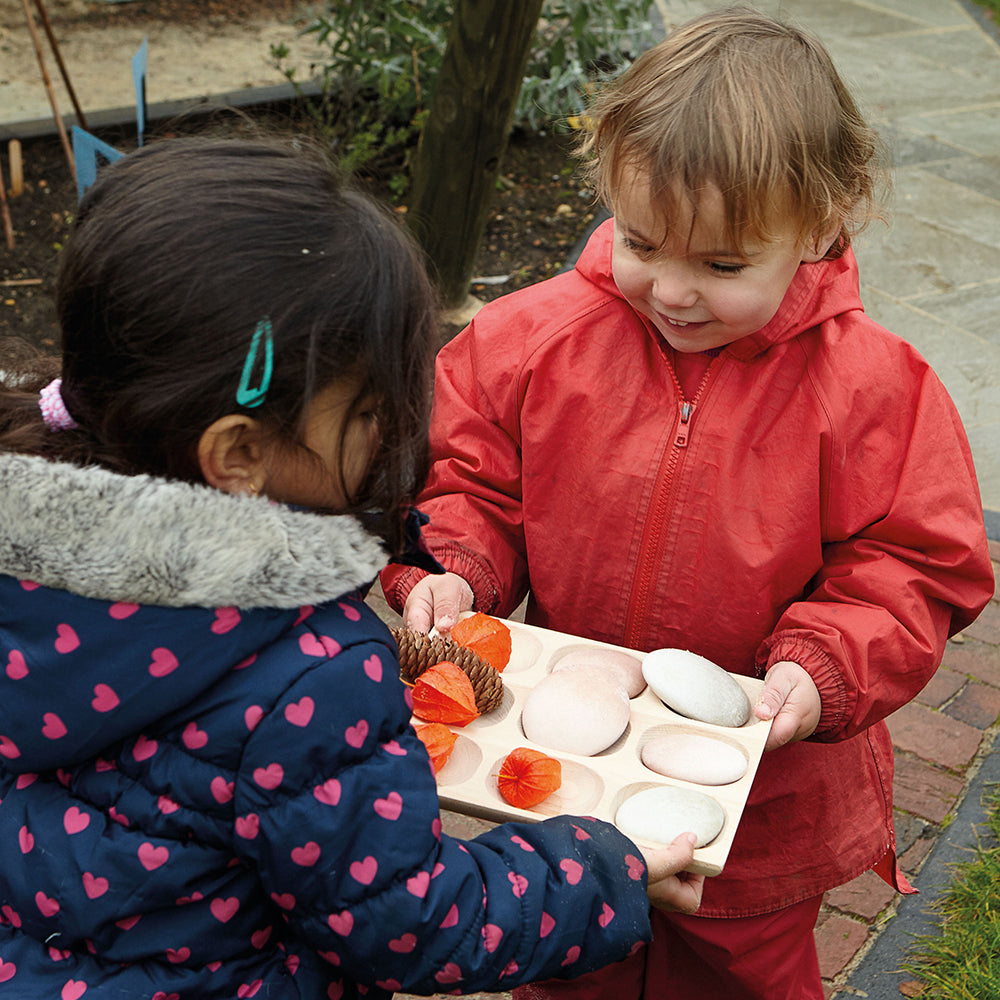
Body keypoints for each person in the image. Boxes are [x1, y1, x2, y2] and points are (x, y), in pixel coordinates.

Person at [379, 8, 996, 1000]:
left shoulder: (875, 387)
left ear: (823, 221)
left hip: (764, 798)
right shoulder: (535, 337)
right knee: (568, 953)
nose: (669, 289)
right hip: (571, 773)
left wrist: (822, 665)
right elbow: (466, 477)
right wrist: (456, 569)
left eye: (720, 265)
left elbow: (912, 564)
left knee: (743, 977)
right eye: (641, 241)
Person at [0, 136, 705, 1000]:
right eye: (369, 410)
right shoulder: (306, 673)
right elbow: (411, 925)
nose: (393, 429)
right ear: (239, 454)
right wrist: (601, 874)